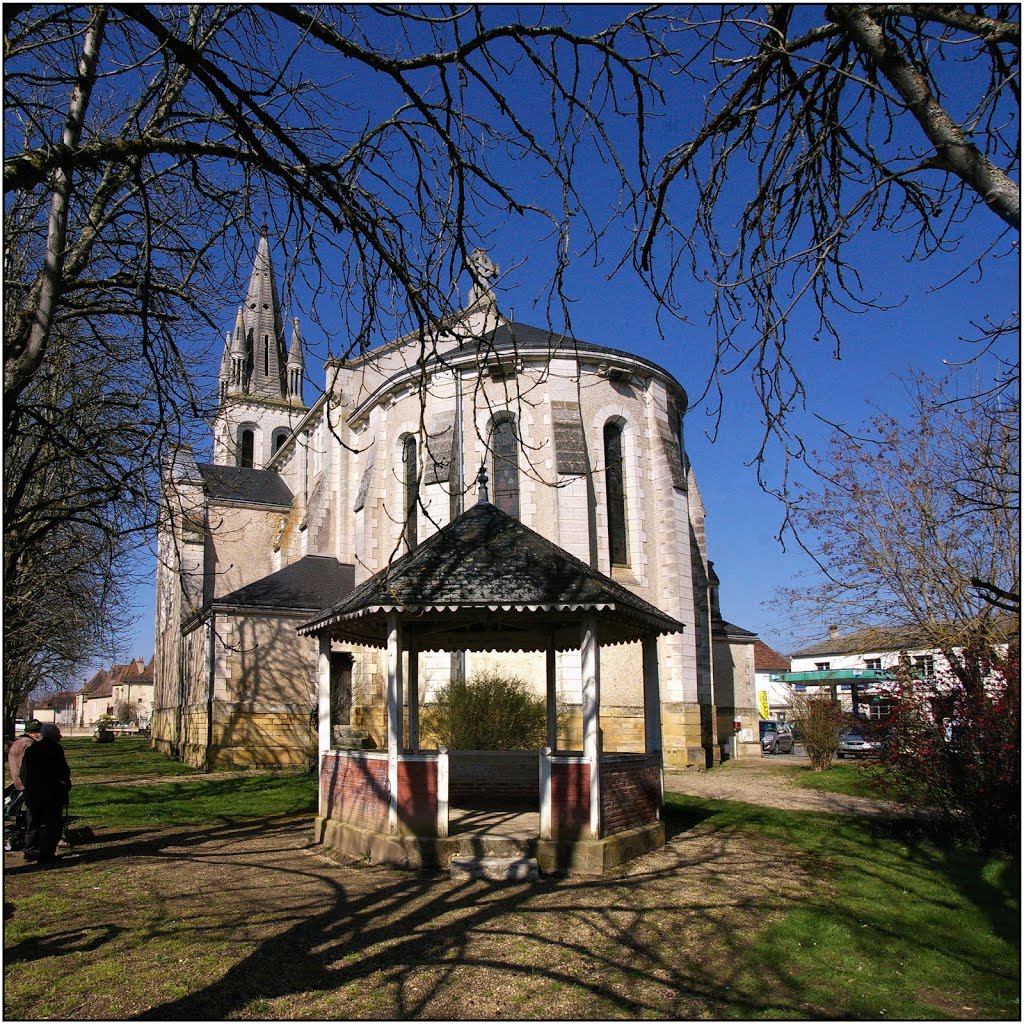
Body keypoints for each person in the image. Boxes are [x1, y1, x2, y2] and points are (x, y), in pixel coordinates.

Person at [19, 723, 71, 865]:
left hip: (33, 792)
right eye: (58, 734)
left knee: (33, 823)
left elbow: (23, 773)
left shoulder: (32, 750)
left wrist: (28, 788)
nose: (60, 736)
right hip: (51, 793)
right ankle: (46, 853)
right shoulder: (55, 749)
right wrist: (64, 785)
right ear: (53, 736)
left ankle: (30, 851)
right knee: (51, 823)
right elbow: (62, 771)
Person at [7, 719, 42, 793]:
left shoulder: (19, 741)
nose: (42, 734)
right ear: (31, 733)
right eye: (39, 731)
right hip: (26, 785)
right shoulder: (28, 743)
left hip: (19, 784)